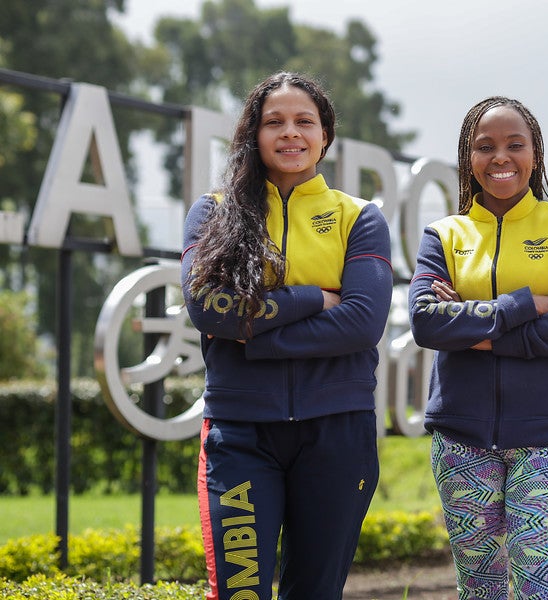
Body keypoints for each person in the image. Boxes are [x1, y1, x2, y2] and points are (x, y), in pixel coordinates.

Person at [180, 71, 392, 600]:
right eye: (274, 122)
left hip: (337, 432)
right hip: (241, 433)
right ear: (254, 134)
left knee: (315, 592)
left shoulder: (360, 218)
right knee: (242, 593)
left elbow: (364, 321)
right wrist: (313, 298)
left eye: (304, 121)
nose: (290, 133)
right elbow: (209, 309)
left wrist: (258, 338)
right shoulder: (214, 212)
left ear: (326, 135)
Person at [408, 96, 548, 599]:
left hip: (547, 438)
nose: (501, 157)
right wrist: (531, 303)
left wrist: (476, 330)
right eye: (485, 147)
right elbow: (426, 323)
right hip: (460, 439)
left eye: (514, 145)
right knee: (481, 591)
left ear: (535, 154)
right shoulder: (444, 234)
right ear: (468, 159)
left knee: (543, 589)